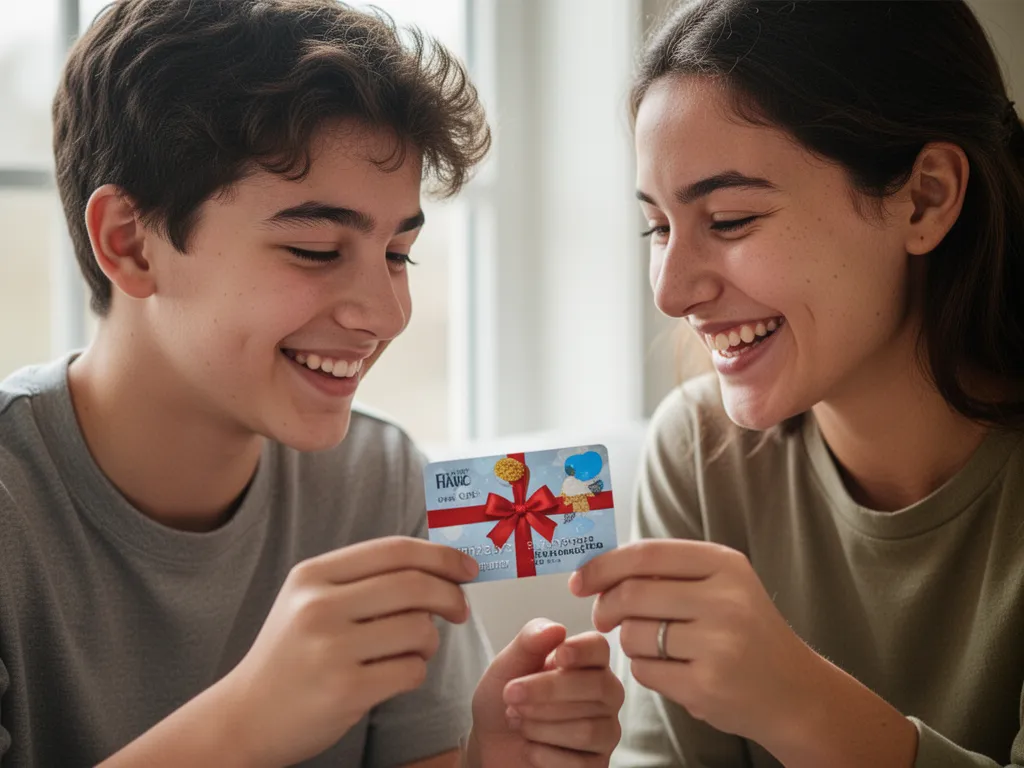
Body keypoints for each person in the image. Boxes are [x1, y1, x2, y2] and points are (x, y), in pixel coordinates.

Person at [0, 1, 624, 765]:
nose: (387, 315)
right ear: (129, 244)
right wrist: (247, 722)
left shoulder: (378, 479)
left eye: (398, 255)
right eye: (316, 250)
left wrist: (495, 755)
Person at [569, 0, 1024, 766]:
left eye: (730, 219)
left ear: (926, 197)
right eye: (658, 227)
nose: (671, 293)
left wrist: (796, 701)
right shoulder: (697, 453)